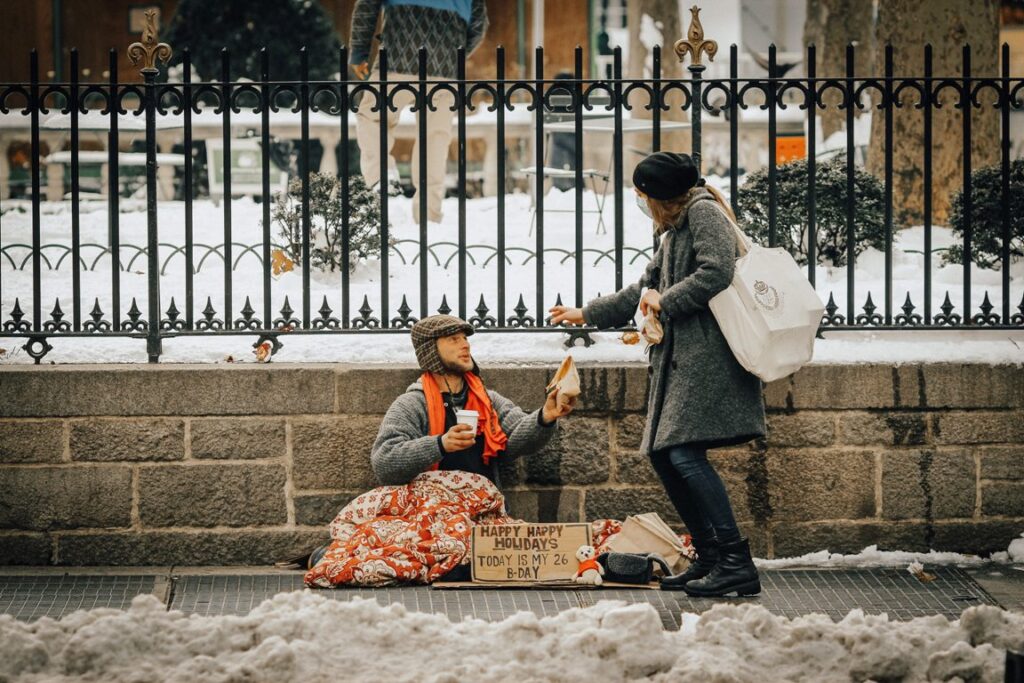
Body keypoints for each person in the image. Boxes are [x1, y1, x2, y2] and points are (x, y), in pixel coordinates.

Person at [549, 151, 767, 598]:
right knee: (664, 454)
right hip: (682, 360)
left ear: (661, 195)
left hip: (708, 360)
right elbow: (642, 287)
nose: (639, 199)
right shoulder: (675, 229)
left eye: (642, 193)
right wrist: (586, 312)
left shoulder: (703, 213)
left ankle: (735, 562)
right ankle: (709, 556)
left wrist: (665, 302)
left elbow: (717, 271)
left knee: (683, 454)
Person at [371, 314, 575, 486]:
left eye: (465, 339)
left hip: (483, 506)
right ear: (430, 350)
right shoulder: (411, 404)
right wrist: (440, 444)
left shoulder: (488, 399)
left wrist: (545, 417)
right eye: (454, 339)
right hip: (431, 511)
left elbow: (516, 438)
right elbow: (384, 463)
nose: (465, 345)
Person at [349, 0, 489, 224]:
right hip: (445, 66)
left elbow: (367, 5)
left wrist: (359, 52)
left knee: (372, 117)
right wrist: (453, 53)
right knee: (434, 139)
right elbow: (478, 24)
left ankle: (381, 180)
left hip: (397, 57)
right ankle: (429, 216)